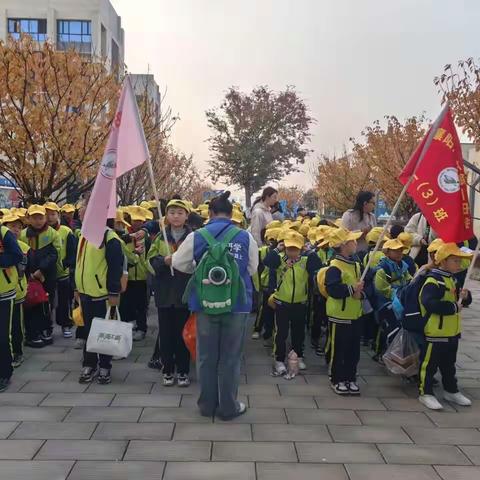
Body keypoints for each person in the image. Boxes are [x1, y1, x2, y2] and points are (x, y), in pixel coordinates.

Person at [172, 191, 259, 420]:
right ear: (232, 214)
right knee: (230, 358)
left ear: (209, 213)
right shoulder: (245, 237)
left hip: (205, 303)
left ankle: (207, 406)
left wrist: (199, 271)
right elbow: (252, 269)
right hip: (237, 304)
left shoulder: (197, 235)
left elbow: (179, 264)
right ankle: (228, 407)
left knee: (206, 356)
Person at [418, 243, 473, 410]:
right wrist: (452, 308)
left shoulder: (453, 279)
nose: (458, 263)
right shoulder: (433, 280)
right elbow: (429, 303)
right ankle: (425, 392)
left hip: (452, 331)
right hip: (435, 331)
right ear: (443, 261)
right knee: (430, 364)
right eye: (455, 260)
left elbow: (463, 302)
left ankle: (451, 390)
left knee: (449, 364)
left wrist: (466, 297)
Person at [147, 199, 192, 387]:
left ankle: (183, 371)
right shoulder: (160, 237)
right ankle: (167, 369)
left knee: (183, 334)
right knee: (165, 334)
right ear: (166, 215)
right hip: (164, 292)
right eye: (172, 212)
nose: (176, 216)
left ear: (187, 216)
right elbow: (150, 261)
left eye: (180, 212)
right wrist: (164, 262)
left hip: (184, 292)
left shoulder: (193, 237)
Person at [264, 230, 322, 375]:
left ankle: (298, 356)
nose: (293, 252)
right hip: (282, 302)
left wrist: (310, 251)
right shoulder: (278, 260)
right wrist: (278, 248)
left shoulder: (305, 261)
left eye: (296, 248)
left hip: (300, 303)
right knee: (281, 333)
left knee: (298, 332)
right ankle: (279, 360)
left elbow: (318, 265)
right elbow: (267, 261)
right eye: (290, 248)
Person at [75, 216, 123, 385]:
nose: (83, 215)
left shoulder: (110, 238)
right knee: (88, 331)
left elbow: (116, 267)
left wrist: (113, 292)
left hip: (102, 294)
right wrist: (77, 287)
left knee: (103, 332)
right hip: (85, 292)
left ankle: (104, 366)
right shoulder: (83, 234)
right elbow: (79, 263)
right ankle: (89, 364)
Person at [324, 228, 364, 395]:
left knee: (353, 350)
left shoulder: (356, 265)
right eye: (351, 241)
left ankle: (350, 377)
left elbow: (361, 287)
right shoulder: (334, 266)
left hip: (355, 314)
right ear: (342, 245)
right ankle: (337, 378)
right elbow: (332, 290)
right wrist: (351, 289)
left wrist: (359, 293)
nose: (355, 243)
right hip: (339, 316)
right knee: (339, 349)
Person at [21, 205, 60, 348]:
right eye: (34, 218)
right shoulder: (23, 234)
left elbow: (55, 254)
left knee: (46, 303)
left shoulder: (52, 234)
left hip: (47, 275)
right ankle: (32, 333)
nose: (38, 221)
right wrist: (29, 272)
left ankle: (46, 329)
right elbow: (22, 255)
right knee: (30, 303)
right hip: (29, 276)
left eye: (40, 217)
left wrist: (41, 270)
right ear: (28, 219)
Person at [373, 238, 412, 359]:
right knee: (387, 327)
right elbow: (381, 289)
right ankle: (379, 352)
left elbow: (409, 280)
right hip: (385, 303)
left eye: (401, 250)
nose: (399, 253)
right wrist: (398, 293)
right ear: (387, 252)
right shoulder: (382, 269)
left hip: (400, 302)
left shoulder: (404, 266)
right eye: (396, 250)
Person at [45, 202, 77, 339]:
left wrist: (65, 264)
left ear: (58, 215)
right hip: (45, 275)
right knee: (46, 303)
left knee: (64, 302)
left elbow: (72, 252)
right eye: (47, 215)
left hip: (62, 274)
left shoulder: (66, 231)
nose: (50, 217)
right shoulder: (41, 232)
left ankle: (65, 325)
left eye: (52, 214)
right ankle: (47, 327)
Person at [2, 213, 29, 368]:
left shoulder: (23, 247)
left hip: (14, 291)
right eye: (12, 226)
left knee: (15, 325)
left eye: (18, 227)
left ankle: (17, 353)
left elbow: (23, 268)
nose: (15, 230)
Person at [120, 206, 150, 341]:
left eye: (140, 220)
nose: (137, 223)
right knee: (127, 304)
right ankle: (129, 326)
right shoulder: (124, 235)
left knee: (141, 305)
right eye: (135, 220)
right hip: (128, 276)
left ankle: (141, 328)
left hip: (143, 276)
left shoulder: (148, 235)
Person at [0, 216, 23, 392]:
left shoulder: (4, 233)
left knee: (2, 335)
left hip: (4, 292)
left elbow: (16, 255)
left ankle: (4, 374)